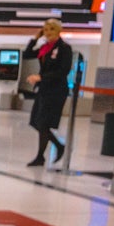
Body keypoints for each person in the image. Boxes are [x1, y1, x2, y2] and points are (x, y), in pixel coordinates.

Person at [23, 18, 74, 167]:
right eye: (45, 30)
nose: (48, 33)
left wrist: (40, 77)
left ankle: (41, 157)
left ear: (58, 31)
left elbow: (63, 70)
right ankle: (58, 146)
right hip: (44, 89)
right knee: (35, 122)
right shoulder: (44, 48)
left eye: (51, 29)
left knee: (43, 122)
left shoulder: (64, 48)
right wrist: (34, 39)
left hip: (56, 90)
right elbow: (26, 55)